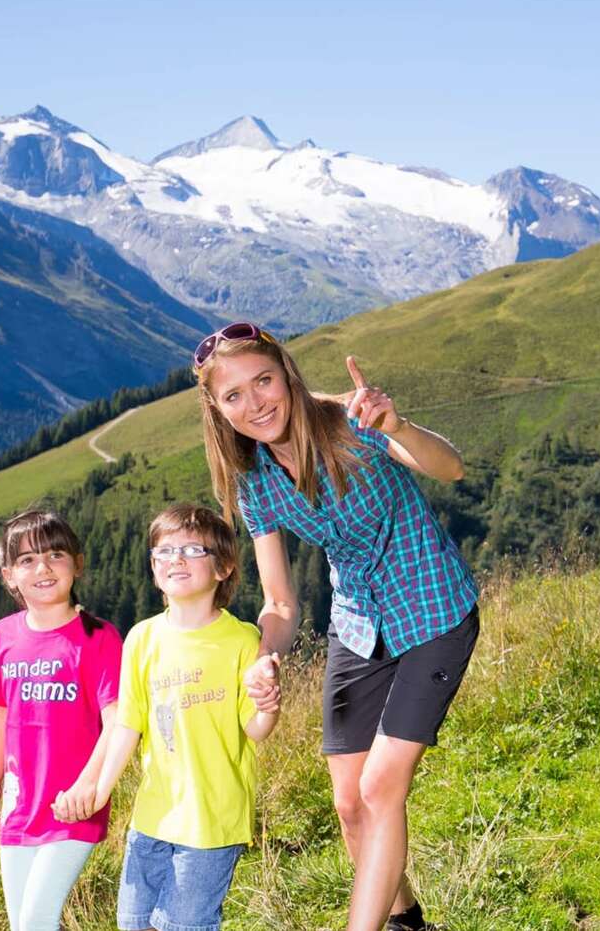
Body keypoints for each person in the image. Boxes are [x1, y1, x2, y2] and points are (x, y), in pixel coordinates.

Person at [195, 322, 477, 931]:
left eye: (263, 381)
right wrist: (266, 654)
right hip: (357, 625)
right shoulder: (254, 481)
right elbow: (280, 603)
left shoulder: (352, 422)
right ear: (217, 409)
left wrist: (398, 426)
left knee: (380, 790)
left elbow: (451, 468)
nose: (255, 403)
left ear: (287, 374)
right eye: (234, 395)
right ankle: (407, 923)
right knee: (350, 805)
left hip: (433, 611)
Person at [56, 503, 278, 931]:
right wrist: (99, 791)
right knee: (134, 923)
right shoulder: (142, 638)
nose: (176, 559)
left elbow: (254, 728)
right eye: (164, 551)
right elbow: (128, 725)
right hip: (152, 818)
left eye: (193, 550)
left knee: (183, 925)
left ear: (223, 568)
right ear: (154, 568)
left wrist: (268, 706)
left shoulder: (242, 640)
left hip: (213, 822)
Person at [0, 508, 125, 931]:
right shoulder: (1, 637)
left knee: (37, 921)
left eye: (56, 555)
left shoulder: (99, 638)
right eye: (27, 560)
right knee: (23, 924)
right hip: (20, 806)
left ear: (77, 564)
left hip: (73, 805)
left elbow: (117, 720)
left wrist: (88, 785)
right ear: (9, 576)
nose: (43, 568)